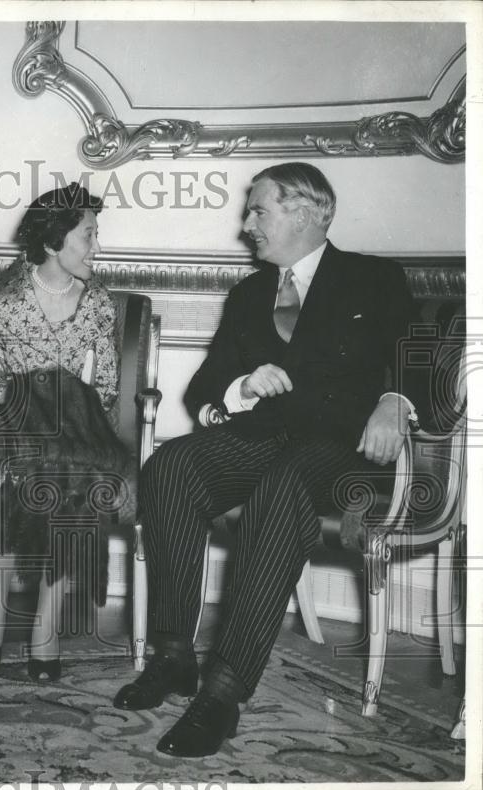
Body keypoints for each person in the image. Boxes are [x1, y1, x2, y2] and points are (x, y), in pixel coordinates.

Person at [113, 162, 426, 757]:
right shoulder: (249, 293)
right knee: (171, 467)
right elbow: (204, 389)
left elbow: (420, 355)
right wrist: (241, 388)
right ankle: (175, 656)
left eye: (259, 210)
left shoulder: (373, 278)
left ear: (306, 213)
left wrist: (395, 399)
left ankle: (224, 691)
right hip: (265, 440)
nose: (247, 223)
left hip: (343, 452)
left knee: (284, 487)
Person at [0, 182, 131, 682]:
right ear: (55, 241)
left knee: (70, 466)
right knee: (22, 465)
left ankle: (45, 625)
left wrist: (73, 420)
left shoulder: (97, 299)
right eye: (88, 235)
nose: (96, 247)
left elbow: (104, 386)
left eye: (96, 235)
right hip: (12, 418)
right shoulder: (5, 300)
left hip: (76, 421)